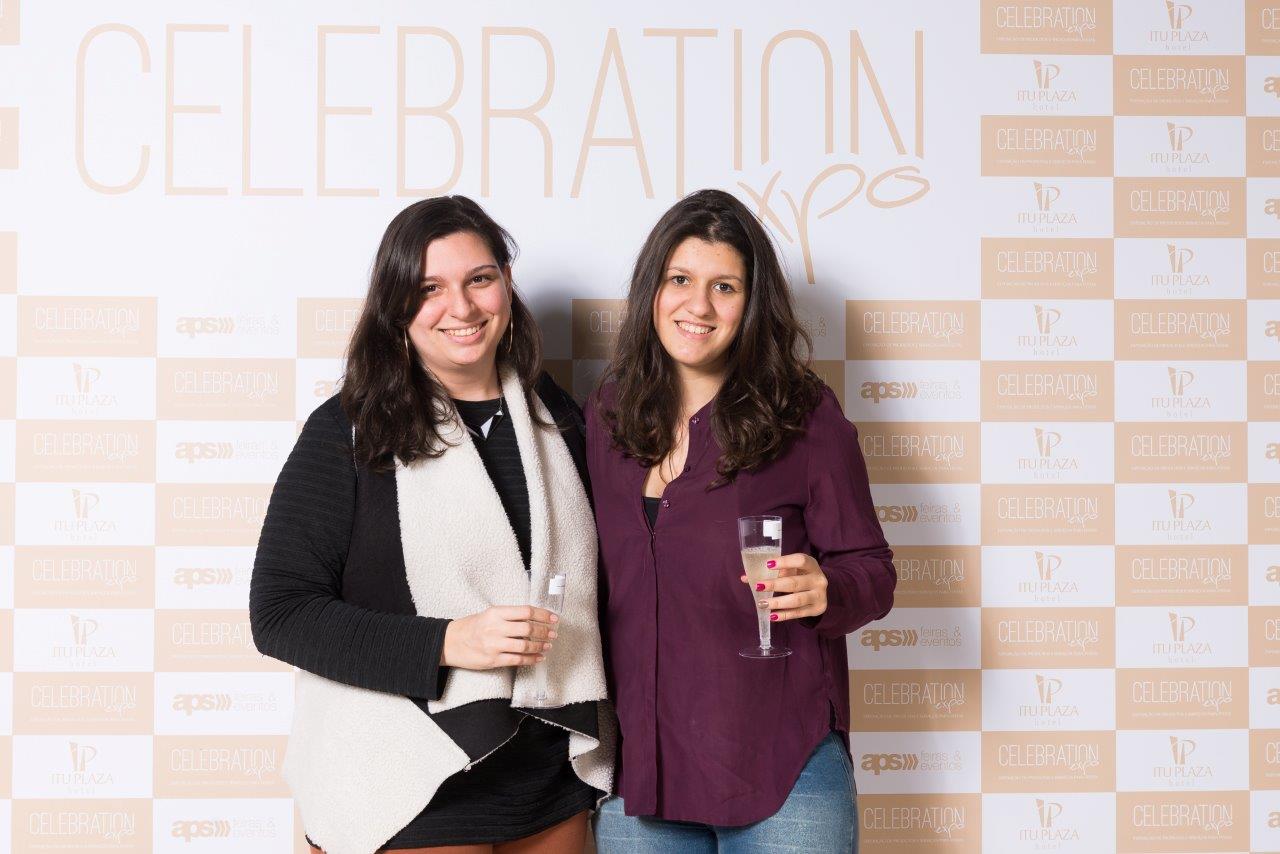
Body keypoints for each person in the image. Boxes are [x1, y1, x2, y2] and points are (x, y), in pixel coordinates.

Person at [250, 196, 613, 854]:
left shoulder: (557, 415)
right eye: (429, 289)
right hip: (407, 772)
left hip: (546, 771)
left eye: (480, 279)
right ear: (396, 305)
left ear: (506, 282)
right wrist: (448, 642)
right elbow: (280, 613)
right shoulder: (349, 430)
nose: (462, 307)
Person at [586, 189, 895, 853]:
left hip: (782, 767)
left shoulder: (803, 414)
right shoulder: (606, 414)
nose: (698, 306)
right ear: (652, 290)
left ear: (751, 304)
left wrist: (829, 589)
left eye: (724, 287)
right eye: (680, 280)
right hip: (642, 772)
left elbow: (872, 569)